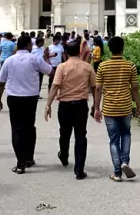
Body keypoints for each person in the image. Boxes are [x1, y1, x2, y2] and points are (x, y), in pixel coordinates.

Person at [0, 35, 53, 174]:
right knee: (29, 127)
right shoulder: (35, 58)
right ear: (28, 45)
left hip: (14, 98)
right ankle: (28, 158)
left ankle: (20, 162)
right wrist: (46, 58)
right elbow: (50, 71)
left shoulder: (9, 60)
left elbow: (1, 82)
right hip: (30, 98)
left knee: (16, 129)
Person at [44, 41, 97, 180]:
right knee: (80, 135)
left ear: (66, 53)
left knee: (64, 132)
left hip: (65, 105)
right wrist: (96, 106)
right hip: (80, 105)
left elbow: (55, 86)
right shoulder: (87, 67)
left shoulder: (62, 67)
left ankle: (64, 155)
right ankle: (79, 169)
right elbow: (95, 87)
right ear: (80, 53)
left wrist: (48, 105)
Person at [93, 36, 140, 182]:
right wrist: (138, 105)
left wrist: (97, 108)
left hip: (109, 108)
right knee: (126, 134)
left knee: (114, 140)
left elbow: (98, 89)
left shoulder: (103, 66)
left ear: (109, 49)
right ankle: (125, 161)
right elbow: (134, 87)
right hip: (126, 107)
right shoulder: (130, 66)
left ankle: (117, 173)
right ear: (123, 48)